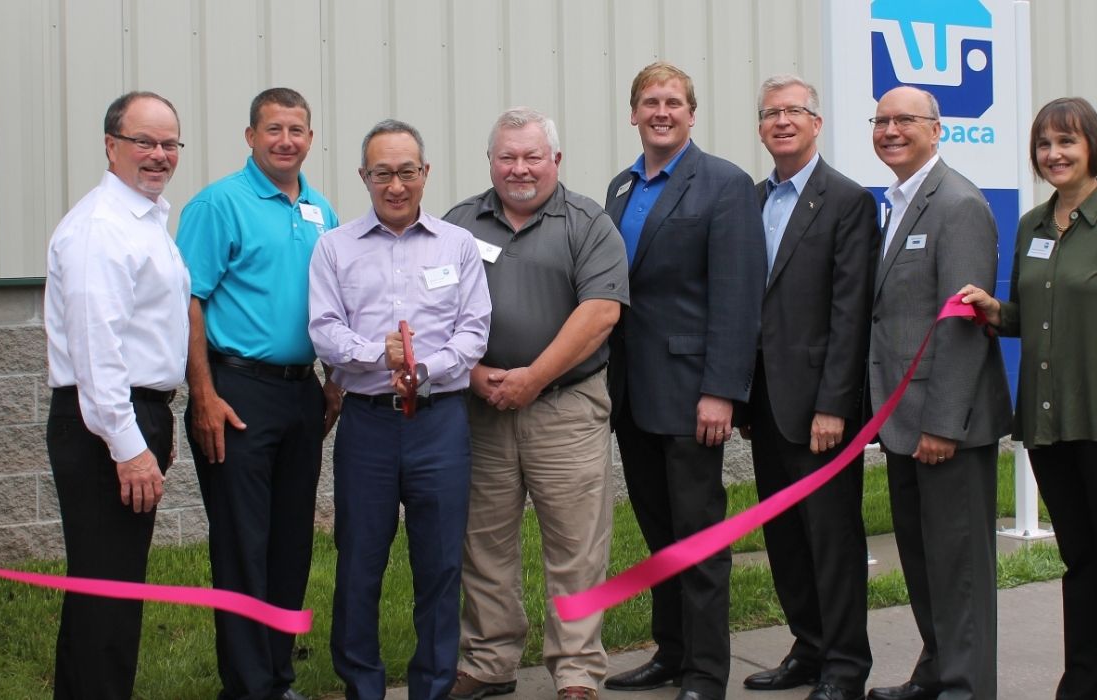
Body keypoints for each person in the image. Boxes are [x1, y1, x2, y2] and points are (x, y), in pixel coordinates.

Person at [961, 97, 1097, 700]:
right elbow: (1033, 316)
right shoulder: (1031, 225)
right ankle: (1083, 685)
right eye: (1044, 144)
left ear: (1092, 149)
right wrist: (993, 312)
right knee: (1081, 564)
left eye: (1066, 143)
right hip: (1053, 424)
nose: (1054, 154)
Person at [442, 108, 630, 700]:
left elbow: (600, 312)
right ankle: (489, 661)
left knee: (576, 546)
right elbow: (432, 311)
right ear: (490, 161)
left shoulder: (588, 223)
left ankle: (576, 673)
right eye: (507, 157)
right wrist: (473, 375)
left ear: (555, 160)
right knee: (484, 540)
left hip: (565, 407)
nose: (519, 169)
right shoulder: (457, 223)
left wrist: (533, 376)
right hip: (481, 408)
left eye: (531, 157)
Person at [597, 60, 767, 700]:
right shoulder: (620, 187)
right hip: (633, 393)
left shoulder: (724, 184)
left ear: (691, 114)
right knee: (659, 535)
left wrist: (722, 390)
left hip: (695, 394)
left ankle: (705, 673)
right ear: (633, 113)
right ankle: (670, 654)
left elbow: (737, 295)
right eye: (649, 102)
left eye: (673, 102)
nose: (660, 112)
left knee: (699, 539)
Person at [307, 119, 494, 700]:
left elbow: (474, 330)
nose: (395, 185)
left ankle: (433, 685)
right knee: (360, 559)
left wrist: (424, 369)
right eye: (382, 173)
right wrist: (375, 354)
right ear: (364, 176)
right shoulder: (334, 247)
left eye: (406, 172)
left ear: (425, 174)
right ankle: (362, 685)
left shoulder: (456, 245)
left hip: (439, 422)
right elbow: (324, 330)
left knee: (439, 565)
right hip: (368, 424)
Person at [177, 87, 341, 700]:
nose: (286, 141)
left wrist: (333, 382)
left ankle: (277, 676)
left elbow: (336, 301)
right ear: (250, 136)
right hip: (236, 391)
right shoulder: (220, 204)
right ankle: (247, 688)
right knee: (244, 543)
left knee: (291, 541)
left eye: (297, 129)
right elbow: (188, 298)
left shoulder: (321, 209)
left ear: (310, 137)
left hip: (302, 395)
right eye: (273, 129)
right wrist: (203, 393)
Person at [862, 86, 1012, 700]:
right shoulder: (898, 202)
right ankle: (935, 672)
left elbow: (963, 323)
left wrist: (943, 423)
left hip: (946, 425)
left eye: (905, 120)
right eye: (882, 120)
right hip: (903, 420)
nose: (891, 130)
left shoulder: (958, 204)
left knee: (959, 569)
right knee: (923, 562)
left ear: (937, 129)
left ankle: (965, 687)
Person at [40, 91, 190, 698]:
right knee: (111, 595)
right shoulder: (102, 230)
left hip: (131, 413)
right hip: (104, 424)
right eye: (143, 142)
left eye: (169, 144)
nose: (158, 155)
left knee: (106, 588)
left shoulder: (145, 219)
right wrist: (129, 447)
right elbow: (98, 356)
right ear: (110, 145)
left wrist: (155, 423)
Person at [740, 75, 879, 700]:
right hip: (764, 402)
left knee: (831, 538)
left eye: (793, 111)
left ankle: (845, 666)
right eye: (770, 113)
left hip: (819, 406)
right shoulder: (750, 199)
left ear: (816, 123)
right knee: (786, 537)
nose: (781, 122)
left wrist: (834, 405)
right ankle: (809, 646)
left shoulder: (845, 200)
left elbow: (851, 312)